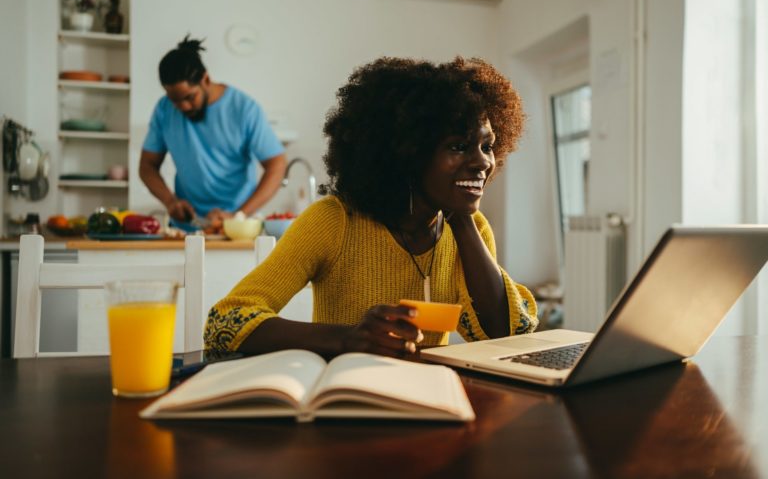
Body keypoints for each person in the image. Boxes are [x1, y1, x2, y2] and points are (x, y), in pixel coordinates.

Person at [205, 56, 538, 358]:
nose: (482, 162)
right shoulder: (336, 221)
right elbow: (226, 323)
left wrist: (462, 221)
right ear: (408, 153)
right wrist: (347, 338)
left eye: (487, 146)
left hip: (432, 404)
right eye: (459, 146)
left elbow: (507, 334)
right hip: (347, 402)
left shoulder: (473, 229)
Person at [139, 36, 286, 227]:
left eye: (189, 97)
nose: (183, 107)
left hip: (236, 227)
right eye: (175, 100)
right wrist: (170, 201)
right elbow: (147, 166)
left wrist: (239, 216)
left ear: (205, 79)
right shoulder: (164, 109)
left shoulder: (244, 109)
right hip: (187, 227)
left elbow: (277, 165)